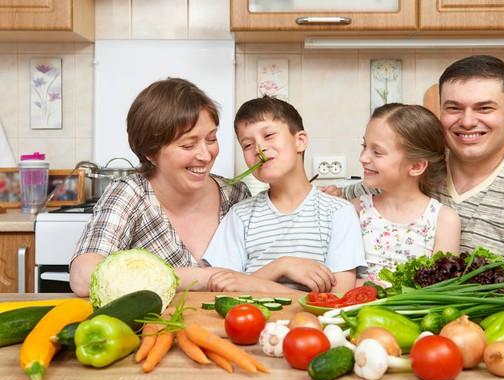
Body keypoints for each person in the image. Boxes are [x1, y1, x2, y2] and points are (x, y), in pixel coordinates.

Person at [325, 55, 504, 306]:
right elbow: (348, 199)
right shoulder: (422, 165)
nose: (466, 121)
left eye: (484, 108)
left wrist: (482, 284)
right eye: (453, 108)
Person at [69, 78, 251, 296]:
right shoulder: (130, 193)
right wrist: (204, 277)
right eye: (188, 145)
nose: (205, 155)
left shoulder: (235, 194)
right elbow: (84, 277)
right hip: (152, 329)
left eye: (211, 139)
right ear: (150, 153)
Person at [203, 96, 366, 293]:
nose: (259, 148)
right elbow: (223, 287)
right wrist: (282, 266)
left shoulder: (339, 212)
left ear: (300, 141)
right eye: (247, 145)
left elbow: (338, 297)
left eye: (269, 135)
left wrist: (253, 283)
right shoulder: (240, 216)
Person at [354, 103, 460, 284]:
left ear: (416, 166)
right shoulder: (355, 210)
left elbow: (441, 288)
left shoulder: (444, 220)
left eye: (377, 152)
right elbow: (341, 280)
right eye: (365, 146)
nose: (363, 158)